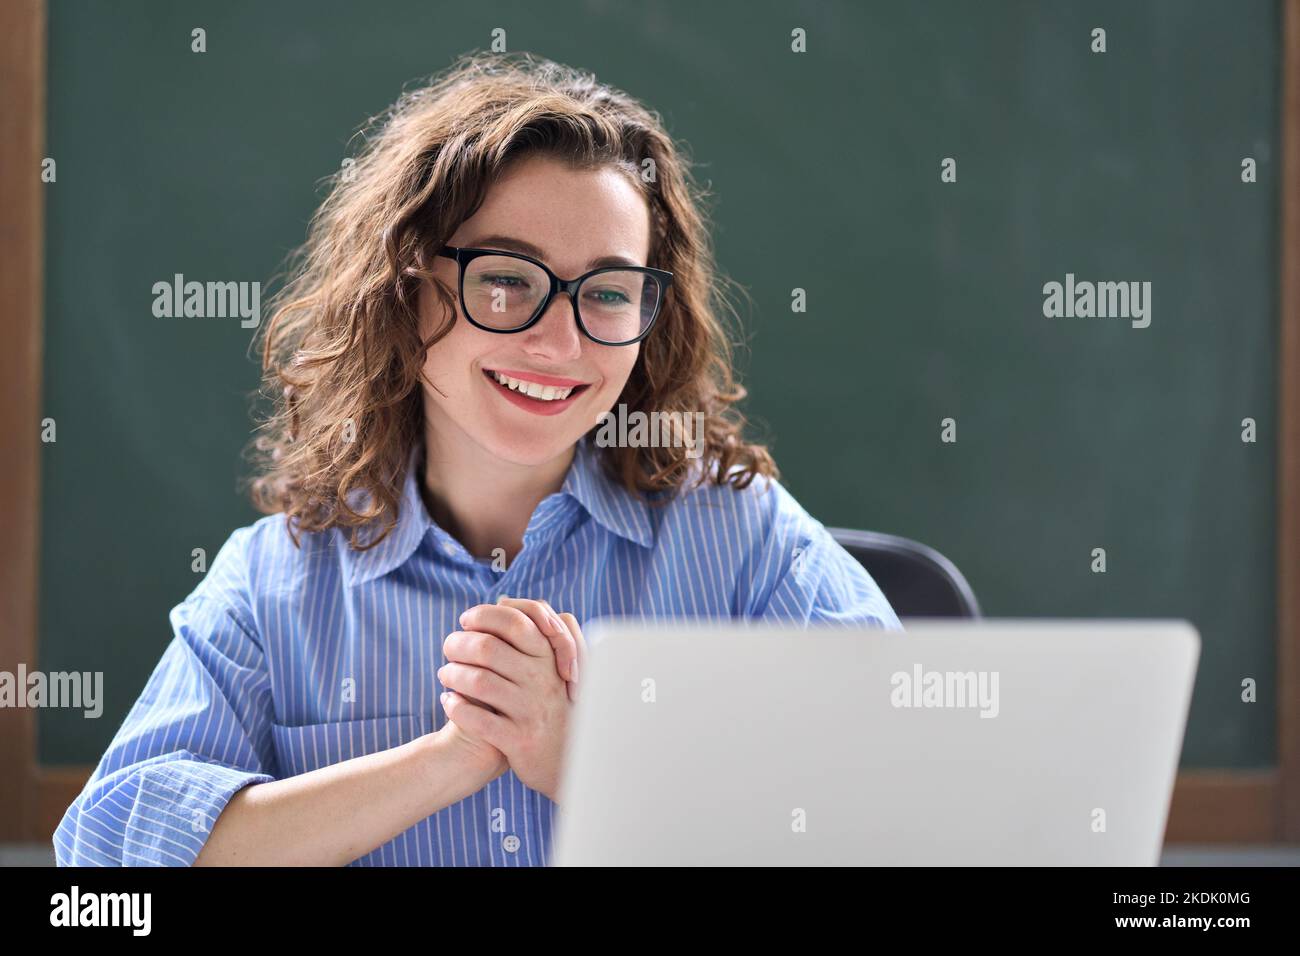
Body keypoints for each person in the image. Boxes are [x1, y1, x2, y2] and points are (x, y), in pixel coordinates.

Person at [53, 51, 900, 868]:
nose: (559, 341)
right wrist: (452, 760)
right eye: (507, 279)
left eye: (607, 292)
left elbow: (901, 810)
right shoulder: (279, 582)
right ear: (407, 282)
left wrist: (582, 761)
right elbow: (103, 863)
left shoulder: (743, 541)